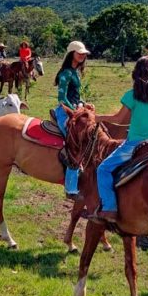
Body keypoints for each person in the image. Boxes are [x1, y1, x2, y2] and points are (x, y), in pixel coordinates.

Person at [89, 57, 148, 223]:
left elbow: (119, 119)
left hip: (135, 144)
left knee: (103, 169)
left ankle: (110, 209)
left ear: (136, 74)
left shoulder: (132, 95)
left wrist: (97, 118)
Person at [55, 40, 90, 199]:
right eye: (79, 53)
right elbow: (62, 98)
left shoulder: (75, 72)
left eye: (84, 53)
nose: (82, 55)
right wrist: (75, 110)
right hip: (65, 112)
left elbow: (76, 95)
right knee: (74, 145)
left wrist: (83, 104)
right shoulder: (66, 73)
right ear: (71, 54)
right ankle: (71, 189)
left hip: (75, 111)